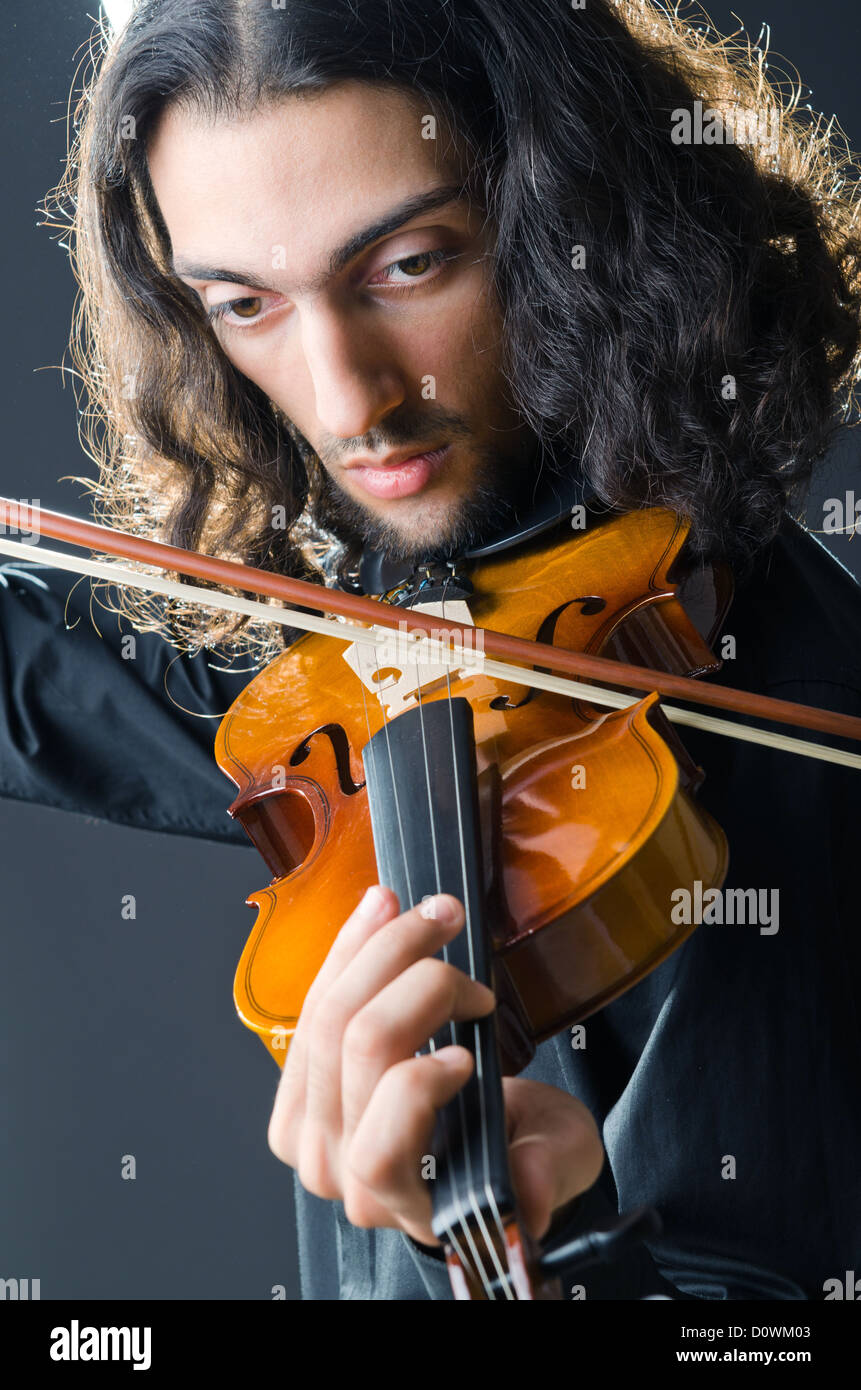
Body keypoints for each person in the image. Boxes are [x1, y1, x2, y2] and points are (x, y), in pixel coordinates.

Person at [4, 0, 860, 1299]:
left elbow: (752, 1307)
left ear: (572, 216)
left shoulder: (772, 730)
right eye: (242, 301)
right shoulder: (359, 657)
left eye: (406, 265)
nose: (344, 398)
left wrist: (508, 1262)